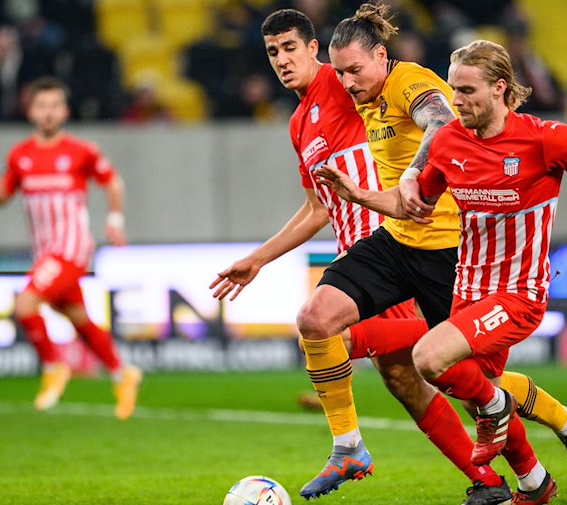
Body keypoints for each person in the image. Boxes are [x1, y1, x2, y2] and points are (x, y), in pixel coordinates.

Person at [317, 38, 567, 503]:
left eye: (467, 91)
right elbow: (409, 205)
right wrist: (360, 195)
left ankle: (498, 415)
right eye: (454, 90)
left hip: (519, 293)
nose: (456, 101)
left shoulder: (545, 138)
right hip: (468, 288)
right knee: (474, 382)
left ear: (500, 88)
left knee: (428, 359)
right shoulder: (450, 142)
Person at [209, 10, 515, 504]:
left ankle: (353, 445)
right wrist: (259, 259)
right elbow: (316, 209)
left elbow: (415, 100)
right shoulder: (298, 124)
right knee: (409, 379)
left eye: (291, 47)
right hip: (368, 260)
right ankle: (493, 483)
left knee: (430, 362)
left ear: (315, 49)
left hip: (401, 248)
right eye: (272, 52)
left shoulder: (346, 81)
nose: (283, 60)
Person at [313, 2, 567, 502]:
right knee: (318, 319)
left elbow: (441, 121)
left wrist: (410, 175)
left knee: (469, 383)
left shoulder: (410, 82)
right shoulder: (362, 93)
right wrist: (359, 195)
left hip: (452, 253)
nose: (347, 81)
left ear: (382, 56)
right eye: (339, 73)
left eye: (355, 70)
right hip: (398, 239)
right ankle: (348, 446)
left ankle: (556, 440)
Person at [0, 76, 142, 420]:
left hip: (71, 249)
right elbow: (3, 193)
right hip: (45, 253)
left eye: (54, 105)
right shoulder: (20, 156)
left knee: (25, 303)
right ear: (30, 112)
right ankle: (123, 373)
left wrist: (114, 221)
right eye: (41, 106)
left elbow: (112, 182)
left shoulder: (80, 150)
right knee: (79, 319)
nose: (48, 112)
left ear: (65, 111)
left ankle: (53, 366)